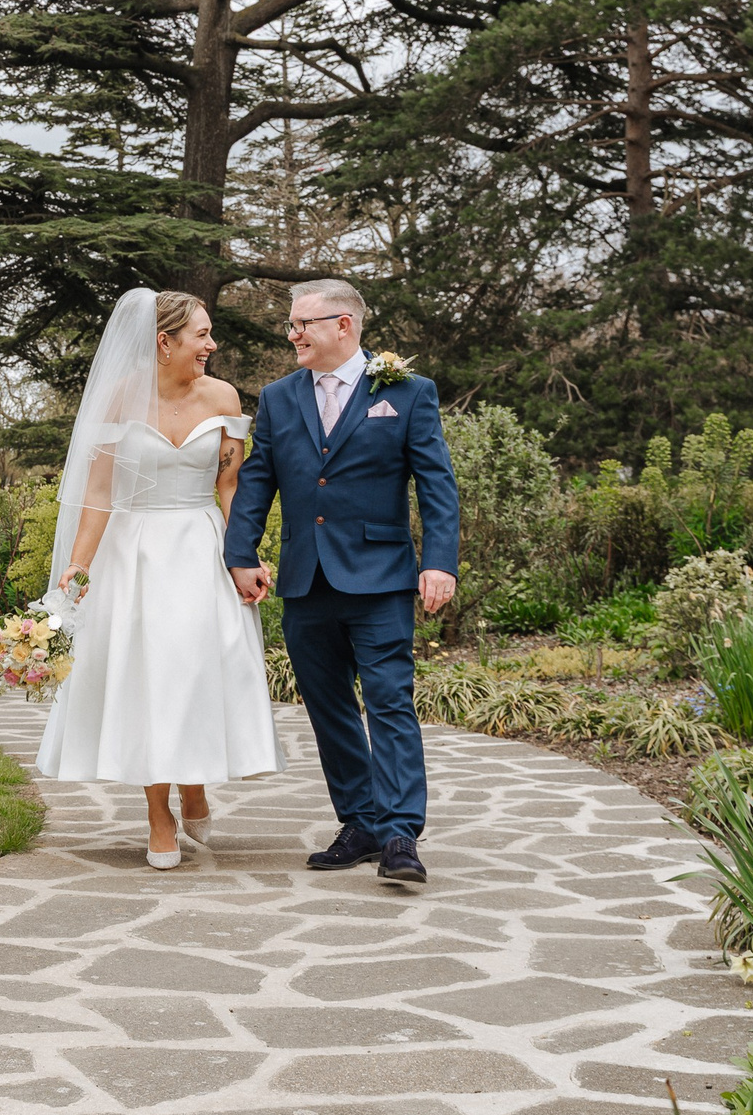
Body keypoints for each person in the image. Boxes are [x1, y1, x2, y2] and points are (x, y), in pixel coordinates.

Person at [36, 289, 285, 868]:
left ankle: (193, 780)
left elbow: (230, 487)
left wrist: (242, 555)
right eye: (201, 334)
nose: (211, 344)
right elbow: (99, 494)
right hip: (135, 553)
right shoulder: (118, 399)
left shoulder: (221, 395)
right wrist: (78, 564)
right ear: (163, 341)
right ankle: (158, 813)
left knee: (196, 671)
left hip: (200, 546)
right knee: (148, 677)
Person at [224, 279, 458, 884]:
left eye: (304, 324)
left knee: (388, 702)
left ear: (344, 326)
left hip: (380, 577)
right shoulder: (278, 397)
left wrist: (440, 560)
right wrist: (240, 550)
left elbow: (436, 485)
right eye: (292, 325)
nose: (294, 334)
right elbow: (258, 479)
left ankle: (402, 833)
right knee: (328, 708)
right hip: (306, 578)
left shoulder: (407, 392)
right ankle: (360, 823)